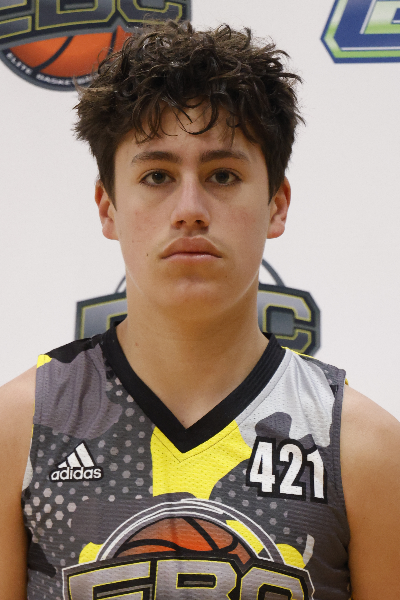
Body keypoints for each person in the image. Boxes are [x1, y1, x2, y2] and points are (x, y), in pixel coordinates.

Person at [1, 20, 399, 600]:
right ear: (108, 207)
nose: (190, 208)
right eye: (157, 175)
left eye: (223, 175)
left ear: (276, 204)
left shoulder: (362, 448)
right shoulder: (20, 428)